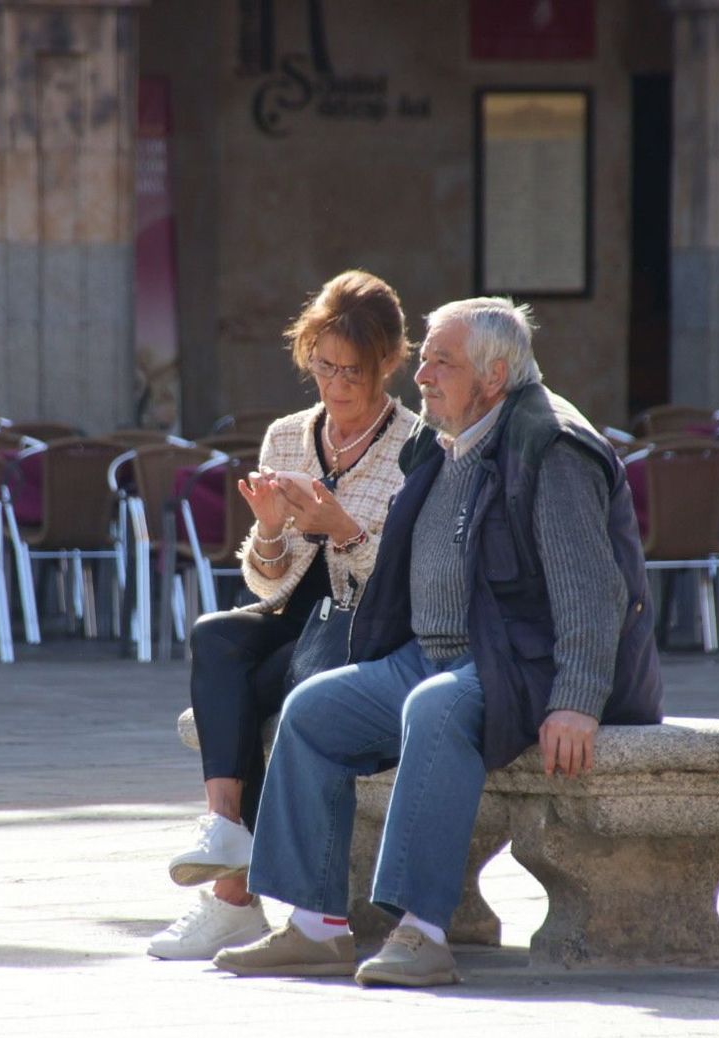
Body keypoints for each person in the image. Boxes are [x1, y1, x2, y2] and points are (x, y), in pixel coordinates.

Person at [212, 296, 663, 987]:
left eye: (440, 362)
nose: (420, 375)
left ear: (494, 374)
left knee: (436, 708)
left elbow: (592, 589)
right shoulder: (443, 438)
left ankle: (421, 933)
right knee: (311, 710)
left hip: (522, 665)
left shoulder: (550, 445)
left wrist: (576, 700)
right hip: (434, 656)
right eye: (423, 358)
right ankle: (314, 927)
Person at [147, 270, 420, 961]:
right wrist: (270, 529)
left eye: (353, 371)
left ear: (388, 362)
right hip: (294, 614)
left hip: (359, 622)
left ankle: (234, 898)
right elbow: (266, 577)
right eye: (324, 366)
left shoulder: (414, 447)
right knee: (215, 635)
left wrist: (343, 530)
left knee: (275, 692)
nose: (336, 385)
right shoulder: (287, 436)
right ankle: (224, 829)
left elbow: (403, 582)